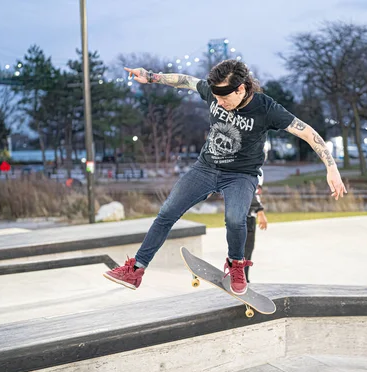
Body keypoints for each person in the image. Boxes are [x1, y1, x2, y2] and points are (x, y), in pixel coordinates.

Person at [103, 59, 346, 295]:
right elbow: (186, 81)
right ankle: (135, 270)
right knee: (167, 212)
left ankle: (236, 265)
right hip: (205, 168)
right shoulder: (213, 91)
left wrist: (331, 167)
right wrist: (152, 77)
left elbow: (307, 132)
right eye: (216, 98)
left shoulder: (267, 108)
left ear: (241, 89)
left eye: (224, 98)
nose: (219, 102)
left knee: (235, 219)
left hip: (240, 176)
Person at [244, 169, 267, 283]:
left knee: (248, 249)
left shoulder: (259, 170)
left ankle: (244, 280)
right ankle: (239, 280)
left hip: (249, 216)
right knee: (244, 250)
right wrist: (260, 210)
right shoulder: (251, 167)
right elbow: (249, 190)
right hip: (243, 216)